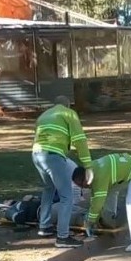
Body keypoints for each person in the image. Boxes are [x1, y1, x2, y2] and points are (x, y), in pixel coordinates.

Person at [32, 95, 93, 249]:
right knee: (66, 196)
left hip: (37, 154)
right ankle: (63, 237)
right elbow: (80, 139)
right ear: (68, 106)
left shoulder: (44, 115)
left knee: (48, 189)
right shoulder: (68, 113)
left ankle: (44, 226)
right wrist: (88, 165)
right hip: (53, 155)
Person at [72, 153, 131, 252]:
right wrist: (95, 218)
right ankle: (109, 219)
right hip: (126, 169)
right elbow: (95, 198)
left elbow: (98, 202)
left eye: (81, 184)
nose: (82, 188)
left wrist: (89, 221)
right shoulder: (92, 170)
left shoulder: (99, 176)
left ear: (86, 178)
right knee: (109, 194)